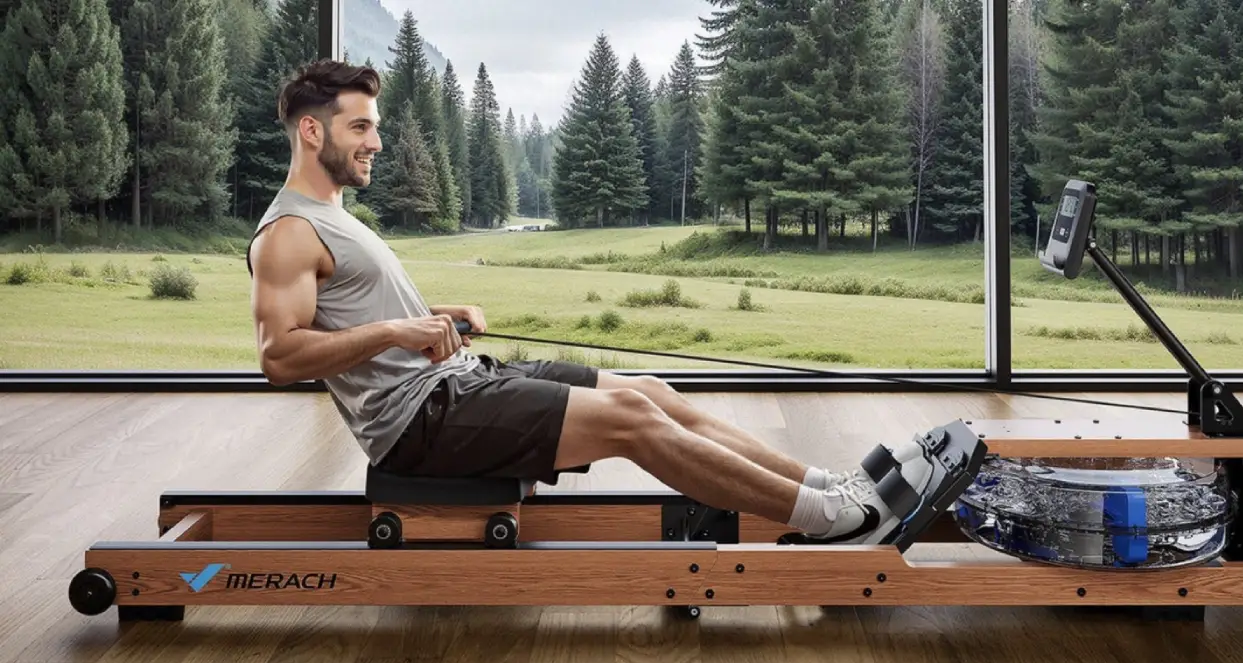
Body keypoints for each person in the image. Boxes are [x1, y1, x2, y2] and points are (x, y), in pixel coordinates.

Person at [246, 59, 950, 545]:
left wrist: (438, 315)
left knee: (650, 389)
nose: (376, 141)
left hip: (458, 383)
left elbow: (362, 318)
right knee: (632, 421)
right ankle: (838, 519)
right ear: (313, 131)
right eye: (360, 127)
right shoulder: (288, 232)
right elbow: (280, 356)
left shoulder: (334, 216)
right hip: (422, 424)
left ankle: (839, 482)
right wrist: (400, 329)